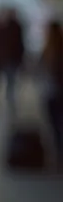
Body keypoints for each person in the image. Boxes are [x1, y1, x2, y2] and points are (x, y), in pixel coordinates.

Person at [37, 20, 63, 163]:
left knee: (54, 127)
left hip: (50, 93)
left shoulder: (46, 50)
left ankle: (59, 154)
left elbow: (39, 70)